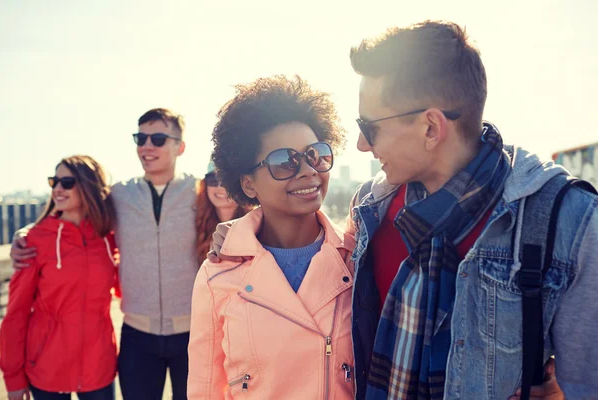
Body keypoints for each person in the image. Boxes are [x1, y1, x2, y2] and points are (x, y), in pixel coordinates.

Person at [346, 21, 597, 399]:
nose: (362, 144)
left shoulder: (569, 220)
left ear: (431, 127)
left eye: (370, 126)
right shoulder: (371, 208)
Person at [10, 108, 199, 400]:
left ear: (180, 146)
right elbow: (77, 207)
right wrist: (24, 234)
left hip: (193, 332)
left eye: (158, 138)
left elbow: (237, 219)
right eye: (141, 137)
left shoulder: (199, 193)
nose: (147, 146)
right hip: (137, 335)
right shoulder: (120, 196)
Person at [187, 75, 356, 399]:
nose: (308, 170)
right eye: (285, 161)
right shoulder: (218, 274)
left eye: (315, 154)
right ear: (248, 183)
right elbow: (205, 388)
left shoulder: (355, 257)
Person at [0, 155, 118, 400]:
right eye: (54, 181)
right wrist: (13, 378)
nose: (57, 189)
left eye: (67, 182)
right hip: (46, 368)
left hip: (99, 368)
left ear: (88, 185)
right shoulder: (35, 241)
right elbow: (16, 314)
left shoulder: (109, 237)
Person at [195, 162, 250, 265]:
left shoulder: (257, 225)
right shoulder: (198, 223)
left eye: (228, 180)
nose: (220, 186)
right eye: (213, 179)